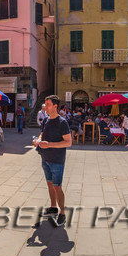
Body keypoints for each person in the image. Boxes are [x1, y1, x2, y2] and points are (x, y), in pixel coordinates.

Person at [35, 95, 72, 226]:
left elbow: (68, 142)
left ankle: (62, 213)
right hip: (45, 158)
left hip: (57, 160)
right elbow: (42, 134)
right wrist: (38, 140)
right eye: (45, 104)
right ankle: (53, 208)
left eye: (48, 104)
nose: (45, 107)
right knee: (50, 184)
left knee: (57, 187)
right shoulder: (45, 120)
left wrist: (49, 144)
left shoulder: (62, 122)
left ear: (55, 106)